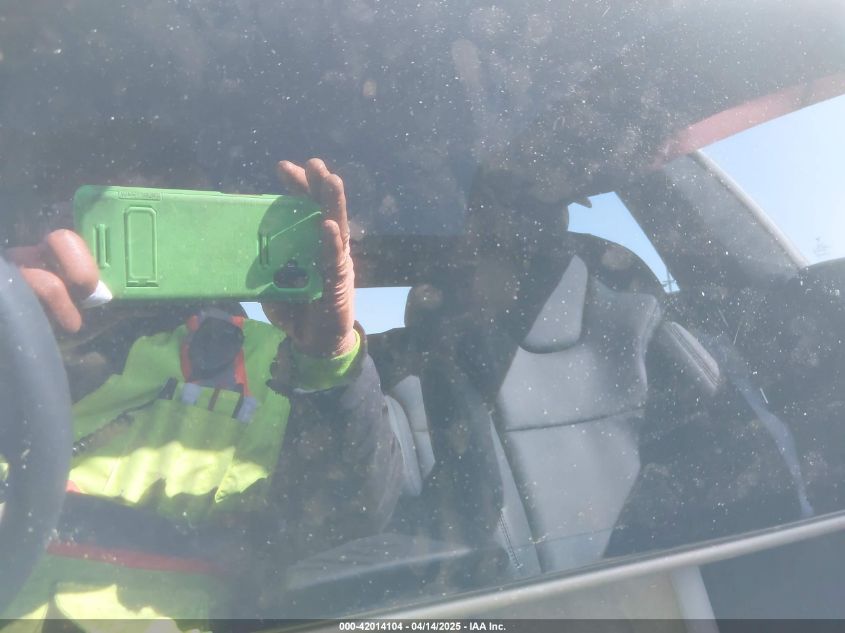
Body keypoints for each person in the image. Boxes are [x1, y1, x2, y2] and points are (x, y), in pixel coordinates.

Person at [2, 157, 404, 626]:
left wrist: (328, 360)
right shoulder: (11, 334)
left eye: (162, 209)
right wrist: (15, 331)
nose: (127, 244)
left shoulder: (280, 359)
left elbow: (352, 516)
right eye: (78, 211)